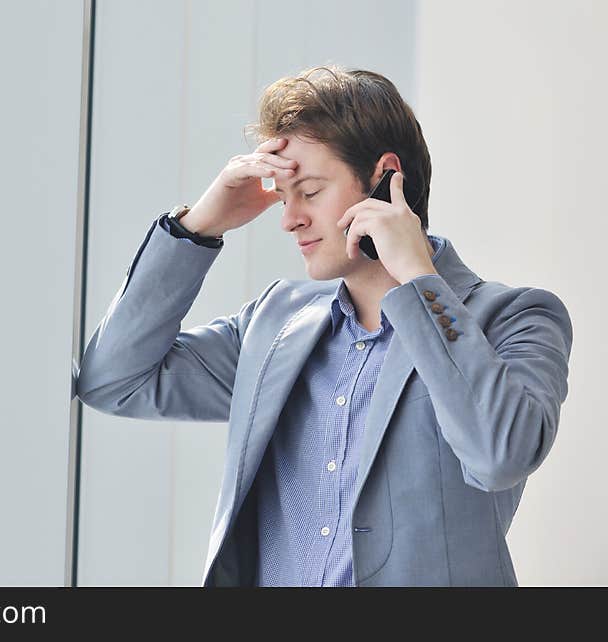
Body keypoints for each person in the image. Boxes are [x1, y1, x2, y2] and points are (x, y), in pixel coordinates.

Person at [74, 65, 573, 586]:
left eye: (309, 192)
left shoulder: (516, 318)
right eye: (285, 197)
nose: (289, 219)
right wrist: (199, 226)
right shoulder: (276, 325)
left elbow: (500, 456)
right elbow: (114, 381)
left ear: (385, 177)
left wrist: (419, 281)